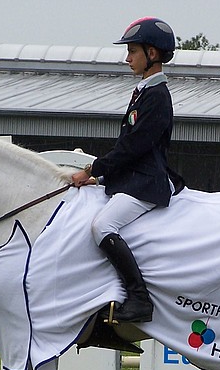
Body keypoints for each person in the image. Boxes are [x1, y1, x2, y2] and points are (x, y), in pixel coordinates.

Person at [71, 17, 177, 323]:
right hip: (133, 177)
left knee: (101, 226)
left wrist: (93, 169)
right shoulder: (144, 90)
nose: (127, 57)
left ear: (152, 54)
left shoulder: (156, 95)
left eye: (133, 51)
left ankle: (139, 297)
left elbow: (134, 147)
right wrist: (100, 176)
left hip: (146, 183)